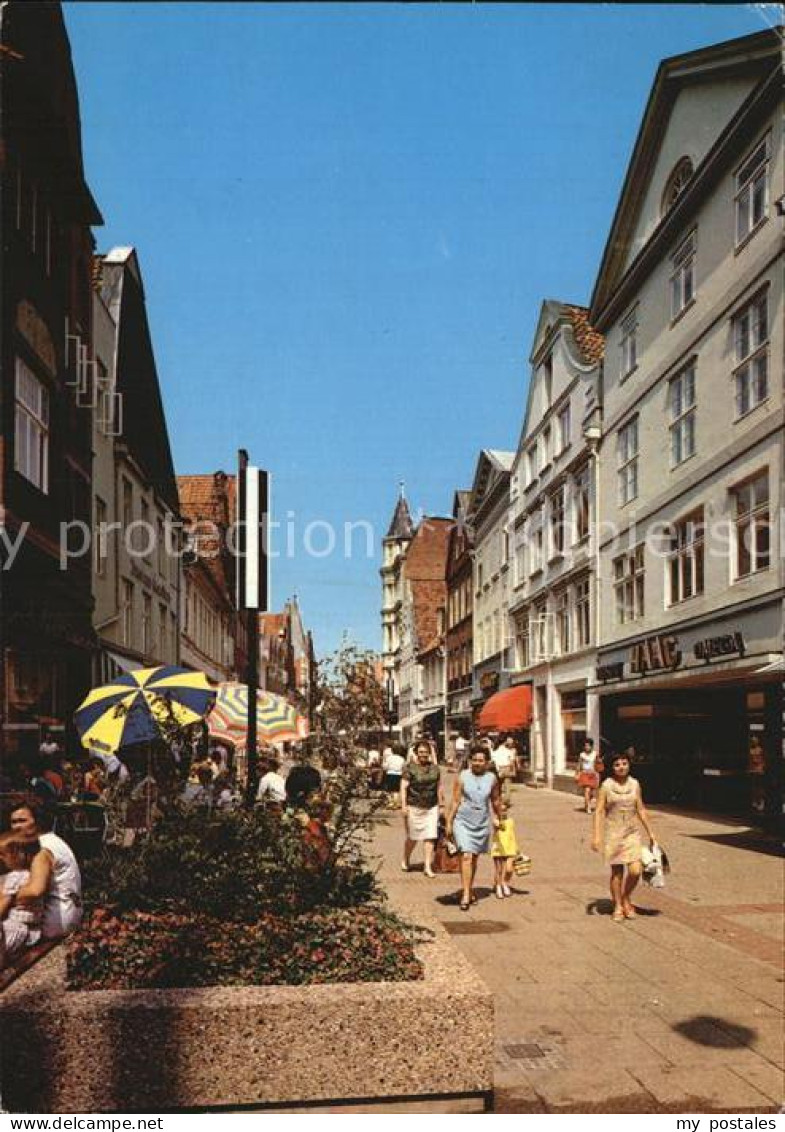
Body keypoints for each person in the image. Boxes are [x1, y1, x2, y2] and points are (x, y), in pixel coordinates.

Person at [592, 752, 657, 922]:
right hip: (613, 833)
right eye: (617, 764)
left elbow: (641, 808)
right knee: (617, 872)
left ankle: (626, 897)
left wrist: (651, 832)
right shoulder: (606, 786)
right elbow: (599, 811)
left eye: (624, 763)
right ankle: (618, 905)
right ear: (612, 768)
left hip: (632, 832)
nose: (621, 767)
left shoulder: (635, 784)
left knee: (636, 871)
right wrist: (596, 836)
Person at [7, 798, 83, 939]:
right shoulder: (54, 840)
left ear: (37, 821)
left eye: (22, 821)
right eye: (13, 822)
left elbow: (35, 891)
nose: (16, 827)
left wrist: (7, 896)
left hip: (54, 923)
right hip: (72, 914)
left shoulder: (42, 849)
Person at [446, 744, 501, 911]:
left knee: (473, 858)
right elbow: (455, 801)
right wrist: (449, 821)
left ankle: (469, 889)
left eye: (481, 760)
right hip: (463, 820)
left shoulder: (492, 778)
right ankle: (465, 895)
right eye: (474, 760)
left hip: (481, 822)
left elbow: (496, 800)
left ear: (487, 762)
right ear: (470, 761)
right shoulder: (462, 776)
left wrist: (500, 817)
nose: (477, 763)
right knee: (466, 856)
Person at [0, 833, 44, 967]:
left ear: (19, 855)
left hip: (17, 928)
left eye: (3, 854)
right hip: (29, 931)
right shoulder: (33, 874)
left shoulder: (16, 877)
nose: (0, 858)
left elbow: (2, 906)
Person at [400, 740, 442, 877]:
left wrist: (441, 804)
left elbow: (439, 787)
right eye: (421, 752)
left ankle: (427, 866)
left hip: (431, 806)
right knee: (413, 837)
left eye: (426, 752)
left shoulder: (435, 769)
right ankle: (406, 858)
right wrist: (404, 805)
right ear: (416, 753)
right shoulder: (409, 768)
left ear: (430, 753)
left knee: (430, 836)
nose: (423, 755)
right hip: (414, 805)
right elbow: (403, 787)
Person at [491, 797, 519, 899]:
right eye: (500, 810)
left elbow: (512, 834)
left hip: (510, 847)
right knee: (498, 869)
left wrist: (516, 847)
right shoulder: (496, 821)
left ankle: (505, 882)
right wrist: (498, 821)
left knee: (509, 869)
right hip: (498, 847)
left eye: (505, 810)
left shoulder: (511, 821)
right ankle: (498, 886)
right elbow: (500, 827)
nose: (503, 812)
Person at [575, 738, 600, 814]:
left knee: (592, 793)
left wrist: (597, 774)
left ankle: (587, 802)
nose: (586, 747)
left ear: (591, 746)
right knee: (587, 790)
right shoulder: (582, 755)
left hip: (593, 774)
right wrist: (577, 773)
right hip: (585, 774)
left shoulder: (595, 754)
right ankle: (588, 807)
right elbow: (579, 764)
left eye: (588, 746)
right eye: (585, 746)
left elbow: (598, 764)